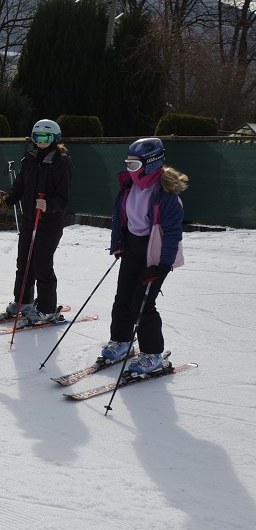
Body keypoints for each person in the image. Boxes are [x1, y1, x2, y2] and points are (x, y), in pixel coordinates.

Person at [102, 137, 187, 375]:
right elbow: (122, 218)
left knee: (142, 304)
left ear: (151, 164)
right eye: (128, 164)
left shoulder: (167, 195)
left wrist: (163, 264)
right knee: (123, 296)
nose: (130, 170)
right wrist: (119, 244)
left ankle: (152, 354)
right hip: (132, 247)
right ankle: (121, 341)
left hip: (156, 255)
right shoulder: (130, 187)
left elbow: (172, 233)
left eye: (134, 165)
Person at [0, 119, 73, 323]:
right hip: (30, 220)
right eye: (37, 137)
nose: (41, 142)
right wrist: (4, 202)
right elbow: (19, 188)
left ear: (55, 138)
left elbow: (63, 198)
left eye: (46, 138)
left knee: (41, 265)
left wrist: (49, 204)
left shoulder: (61, 162)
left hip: (49, 223)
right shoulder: (29, 158)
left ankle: (46, 308)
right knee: (24, 262)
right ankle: (24, 301)